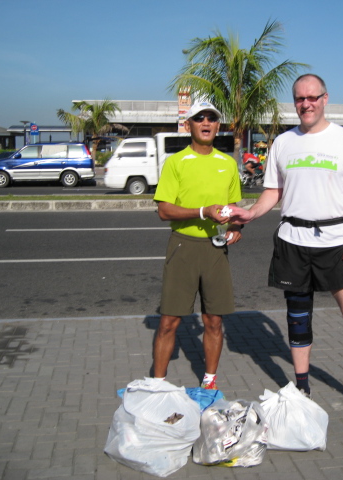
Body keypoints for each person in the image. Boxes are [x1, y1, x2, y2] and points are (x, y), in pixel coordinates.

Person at [228, 74, 343, 426]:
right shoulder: (283, 144)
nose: (306, 104)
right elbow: (273, 192)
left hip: (337, 242)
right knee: (298, 321)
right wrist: (250, 213)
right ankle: (302, 390)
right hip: (293, 241)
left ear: (325, 98)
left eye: (312, 97)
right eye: (299, 99)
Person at [151, 101, 242, 390]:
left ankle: (210, 380)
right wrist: (203, 211)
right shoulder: (176, 162)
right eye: (199, 118)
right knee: (169, 322)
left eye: (212, 118)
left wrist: (237, 226)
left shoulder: (227, 163)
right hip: (184, 247)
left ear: (218, 126)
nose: (206, 123)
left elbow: (232, 207)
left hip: (216, 250)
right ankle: (158, 384)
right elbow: (164, 210)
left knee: (214, 320)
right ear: (188, 124)